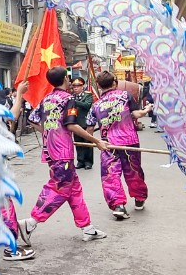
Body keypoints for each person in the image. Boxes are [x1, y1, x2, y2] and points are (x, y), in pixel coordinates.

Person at [9, 68, 110, 251]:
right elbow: (71, 125)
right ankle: (30, 223)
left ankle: (87, 227)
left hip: (50, 151)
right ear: (65, 78)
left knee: (74, 189)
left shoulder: (46, 99)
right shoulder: (67, 99)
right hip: (63, 152)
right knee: (59, 188)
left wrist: (48, 133)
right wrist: (96, 140)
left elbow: (32, 119)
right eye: (69, 78)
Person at [88, 71, 151, 219]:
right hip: (130, 142)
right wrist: (147, 109)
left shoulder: (96, 105)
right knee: (134, 171)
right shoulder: (125, 96)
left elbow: (89, 129)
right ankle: (139, 198)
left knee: (111, 174)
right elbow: (137, 115)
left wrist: (94, 141)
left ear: (98, 85)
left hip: (107, 144)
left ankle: (118, 205)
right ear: (114, 83)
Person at [69, 77, 96, 170]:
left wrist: (75, 102)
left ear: (82, 86)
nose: (76, 88)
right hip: (75, 123)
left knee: (88, 142)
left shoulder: (87, 95)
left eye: (78, 86)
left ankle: (88, 162)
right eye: (74, 86)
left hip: (85, 122)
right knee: (78, 143)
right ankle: (80, 161)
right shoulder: (71, 96)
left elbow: (87, 105)